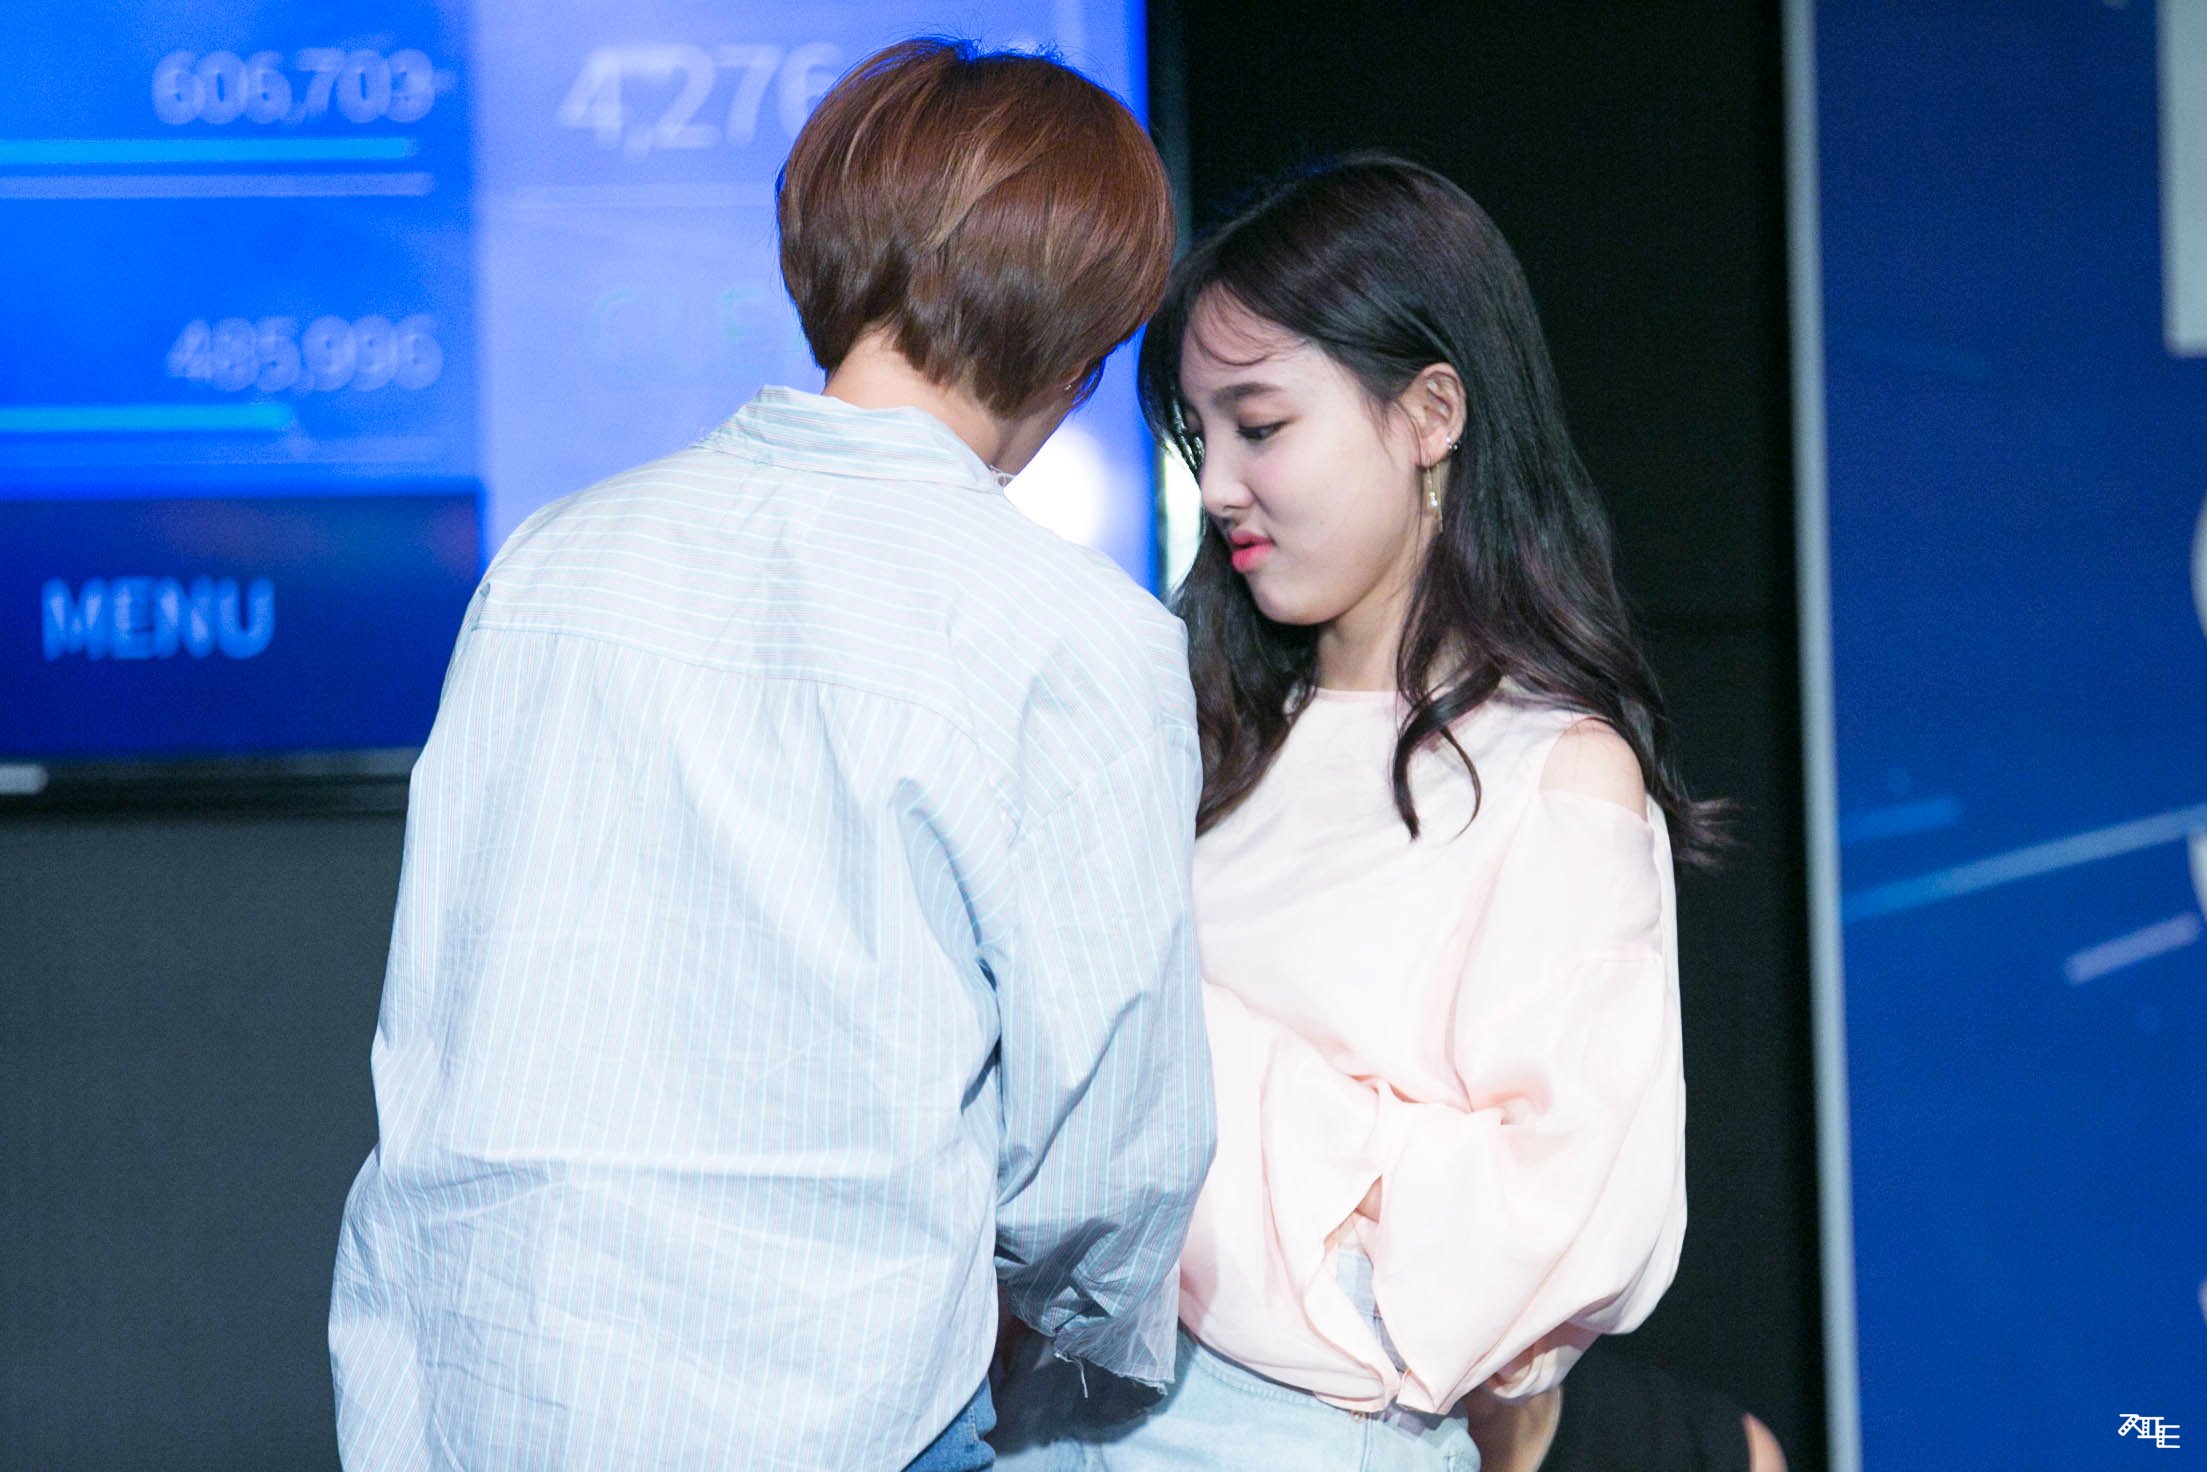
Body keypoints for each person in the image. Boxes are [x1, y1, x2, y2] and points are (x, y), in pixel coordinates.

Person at [329, 38, 1214, 1472]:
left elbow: (430, 1037)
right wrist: (1088, 1349)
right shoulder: (1075, 637)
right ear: (1086, 349)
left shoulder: (550, 561)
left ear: (821, 249)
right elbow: (1111, 1159)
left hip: (487, 1394)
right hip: (848, 1416)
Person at [991, 154, 1726, 1470]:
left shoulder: (1554, 776)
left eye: (1261, 426)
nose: (1220, 486)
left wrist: (1182, 1055)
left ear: (1432, 412)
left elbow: (1556, 1231)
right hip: (1044, 1415)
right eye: (1200, 437)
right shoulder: (1182, 729)